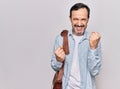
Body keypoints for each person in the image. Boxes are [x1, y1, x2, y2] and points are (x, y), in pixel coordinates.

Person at [51, 3, 102, 89]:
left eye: (83, 19)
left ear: (88, 20)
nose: (79, 23)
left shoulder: (94, 40)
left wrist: (93, 48)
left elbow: (95, 72)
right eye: (75, 19)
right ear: (70, 19)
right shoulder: (61, 38)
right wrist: (58, 60)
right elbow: (55, 67)